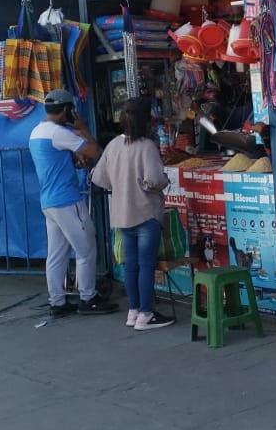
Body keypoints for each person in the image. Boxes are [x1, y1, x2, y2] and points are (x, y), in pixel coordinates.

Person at [28, 89, 119, 317]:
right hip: (67, 201)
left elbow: (56, 160)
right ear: (67, 110)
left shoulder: (37, 132)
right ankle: (88, 298)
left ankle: (57, 302)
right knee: (86, 249)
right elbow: (94, 151)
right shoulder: (59, 133)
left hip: (49, 201)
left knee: (56, 254)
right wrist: (84, 128)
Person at [92, 98, 174, 331]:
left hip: (122, 214)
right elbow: (154, 180)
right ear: (146, 120)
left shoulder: (113, 146)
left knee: (131, 264)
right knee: (146, 265)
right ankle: (146, 314)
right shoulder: (147, 147)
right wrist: (163, 181)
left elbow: (99, 178)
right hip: (146, 214)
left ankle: (134, 311)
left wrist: (120, 182)